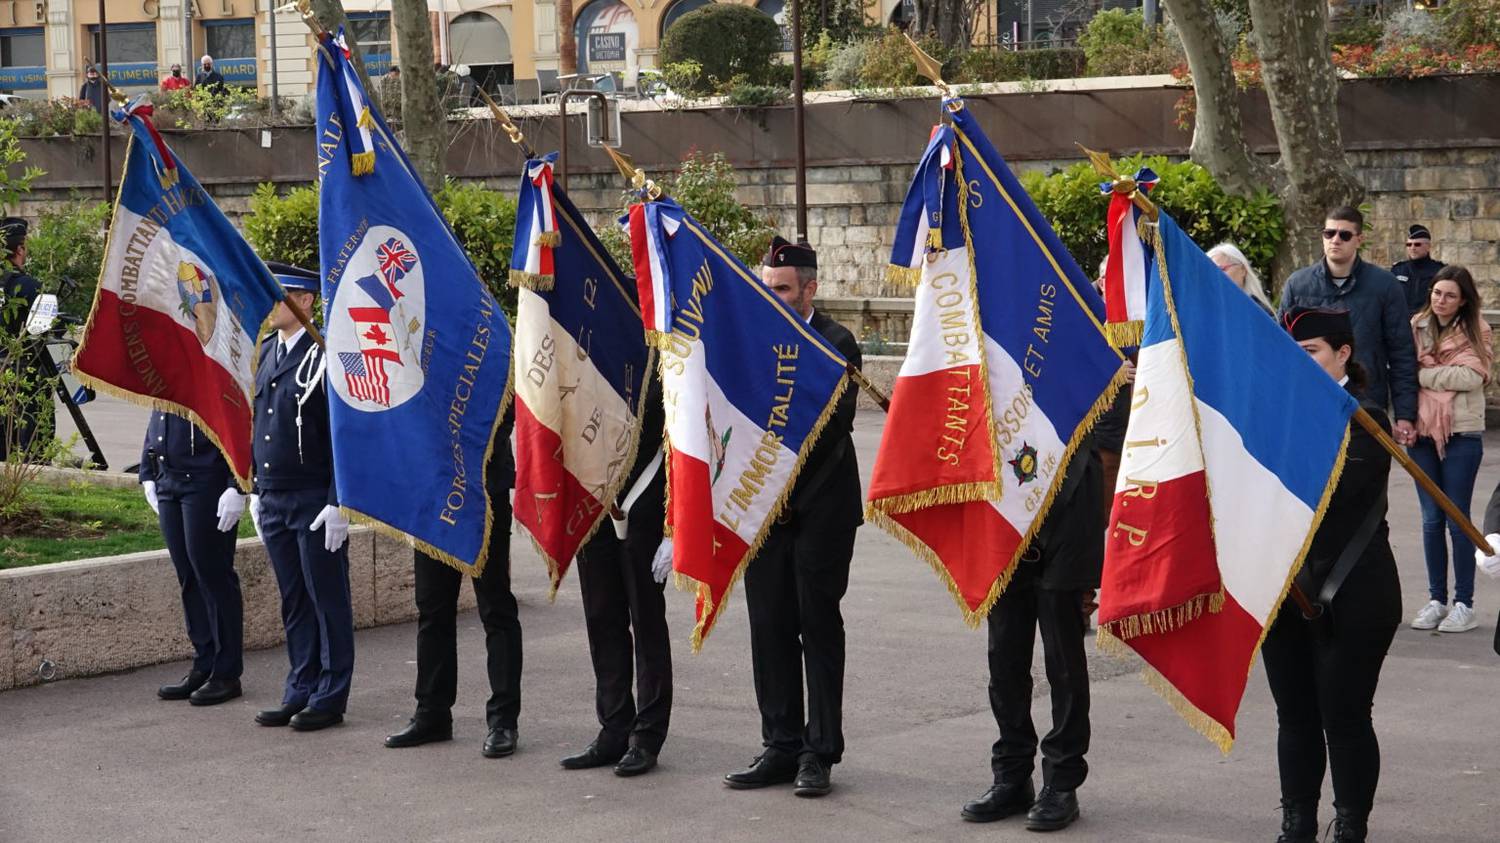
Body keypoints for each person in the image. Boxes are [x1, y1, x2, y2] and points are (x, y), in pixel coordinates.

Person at [723, 237, 860, 798]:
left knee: (817, 626)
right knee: (769, 628)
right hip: (763, 510)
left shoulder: (836, 342)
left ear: (810, 288)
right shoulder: (753, 342)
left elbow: (829, 425)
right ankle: (780, 744)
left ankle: (819, 752)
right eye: (766, 287)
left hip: (820, 509)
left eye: (781, 288)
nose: (771, 297)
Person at [1264, 306, 1402, 843]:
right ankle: (1296, 823)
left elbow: (1330, 490)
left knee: (1343, 717)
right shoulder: (1279, 413)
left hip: (1355, 592)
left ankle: (1349, 827)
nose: (1299, 366)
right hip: (1286, 589)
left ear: (1343, 353)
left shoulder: (1367, 418)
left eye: (1311, 353)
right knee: (1294, 716)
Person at [960, 389, 1125, 832]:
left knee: (1063, 662)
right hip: (1007, 510)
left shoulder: (1085, 336)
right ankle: (1012, 775)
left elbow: (1109, 438)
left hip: (1069, 508)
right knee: (1005, 658)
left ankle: (1062, 782)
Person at [248, 263, 354, 733]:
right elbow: (260, 424)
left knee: (326, 598)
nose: (271, 304)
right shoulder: (269, 350)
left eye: (280, 294)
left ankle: (331, 694)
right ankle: (300, 686)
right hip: (275, 495)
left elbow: (343, 433)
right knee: (293, 599)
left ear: (306, 300)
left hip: (313, 495)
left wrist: (338, 500)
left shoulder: (327, 354)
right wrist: (252, 487)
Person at [383, 407, 524, 760]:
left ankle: (503, 721)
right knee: (432, 608)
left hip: (481, 486)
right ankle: (432, 713)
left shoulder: (493, 348)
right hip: (432, 488)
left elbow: (503, 409)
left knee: (495, 608)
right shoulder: (425, 350)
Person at [560, 372, 672, 778]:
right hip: (593, 498)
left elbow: (686, 434)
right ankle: (613, 727)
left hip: (645, 498)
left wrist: (676, 526)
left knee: (646, 621)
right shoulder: (589, 335)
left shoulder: (661, 343)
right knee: (602, 617)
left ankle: (647, 735)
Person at [1279, 206, 1419, 449]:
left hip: (1366, 403)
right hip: (1308, 400)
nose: (1335, 240)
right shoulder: (1298, 284)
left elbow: (1402, 352)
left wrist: (1405, 414)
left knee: (1365, 479)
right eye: (1329, 233)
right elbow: (1282, 347)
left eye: (1344, 235)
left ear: (1359, 240)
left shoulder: (1385, 285)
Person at [140, 411, 246, 705]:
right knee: (187, 575)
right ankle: (204, 663)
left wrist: (235, 484)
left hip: (205, 478)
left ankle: (226, 673)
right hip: (168, 479)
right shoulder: (167, 370)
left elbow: (235, 419)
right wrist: (147, 473)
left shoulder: (209, 365)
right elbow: (157, 411)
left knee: (212, 574)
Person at [1406, 265, 1490, 634]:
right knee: (1430, 520)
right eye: (1437, 293)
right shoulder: (1415, 326)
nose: (1441, 301)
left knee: (1457, 518)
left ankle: (1464, 603)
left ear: (1463, 300)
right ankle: (1437, 599)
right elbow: (1402, 369)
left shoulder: (1478, 330)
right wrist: (1442, 372)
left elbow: (1474, 376)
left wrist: (1424, 374)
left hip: (1462, 433)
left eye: (1450, 295)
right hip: (1422, 433)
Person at [0, 216, 48, 463]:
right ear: (19, 249)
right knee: (28, 443)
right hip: (23, 377)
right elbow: (47, 332)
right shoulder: (31, 287)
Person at [1391, 224, 1444, 316]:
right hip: (1402, 322)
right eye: (1409, 244)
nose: (1412, 248)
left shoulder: (1440, 271)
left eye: (1417, 244)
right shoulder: (1398, 270)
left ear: (1428, 246)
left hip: (1429, 321)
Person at [1207, 242, 1274, 314]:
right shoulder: (1210, 313)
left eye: (1221, 269)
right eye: (1211, 272)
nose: (1216, 276)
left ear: (1242, 270)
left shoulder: (1260, 314)